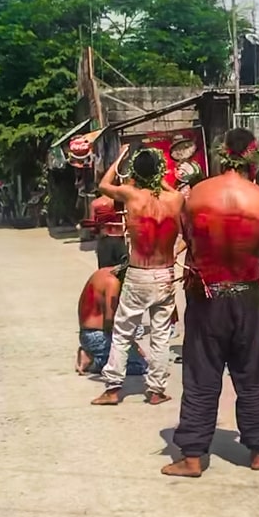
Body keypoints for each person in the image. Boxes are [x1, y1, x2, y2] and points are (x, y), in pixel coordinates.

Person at [162, 128, 259, 478]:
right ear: (252, 155)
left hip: (206, 293)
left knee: (201, 375)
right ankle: (258, 451)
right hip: (246, 293)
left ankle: (193, 456)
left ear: (221, 153)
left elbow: (190, 240)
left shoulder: (197, 195)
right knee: (253, 374)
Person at [92, 145, 183, 406]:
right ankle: (156, 389)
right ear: (160, 172)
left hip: (139, 272)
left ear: (135, 173)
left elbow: (104, 184)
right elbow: (171, 192)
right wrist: (160, 178)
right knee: (161, 334)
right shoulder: (175, 199)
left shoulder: (131, 195)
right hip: (164, 272)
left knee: (123, 332)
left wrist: (119, 157)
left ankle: (112, 389)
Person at [76, 266, 147, 377]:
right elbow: (111, 321)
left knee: (136, 357)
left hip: (89, 332)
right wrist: (131, 343)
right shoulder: (112, 283)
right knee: (141, 366)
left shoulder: (105, 272)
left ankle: (95, 355)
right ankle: (93, 362)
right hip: (97, 335)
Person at [91, 190, 128, 270]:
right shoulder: (121, 202)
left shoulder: (96, 203)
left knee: (105, 271)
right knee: (122, 270)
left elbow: (93, 226)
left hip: (104, 238)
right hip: (120, 238)